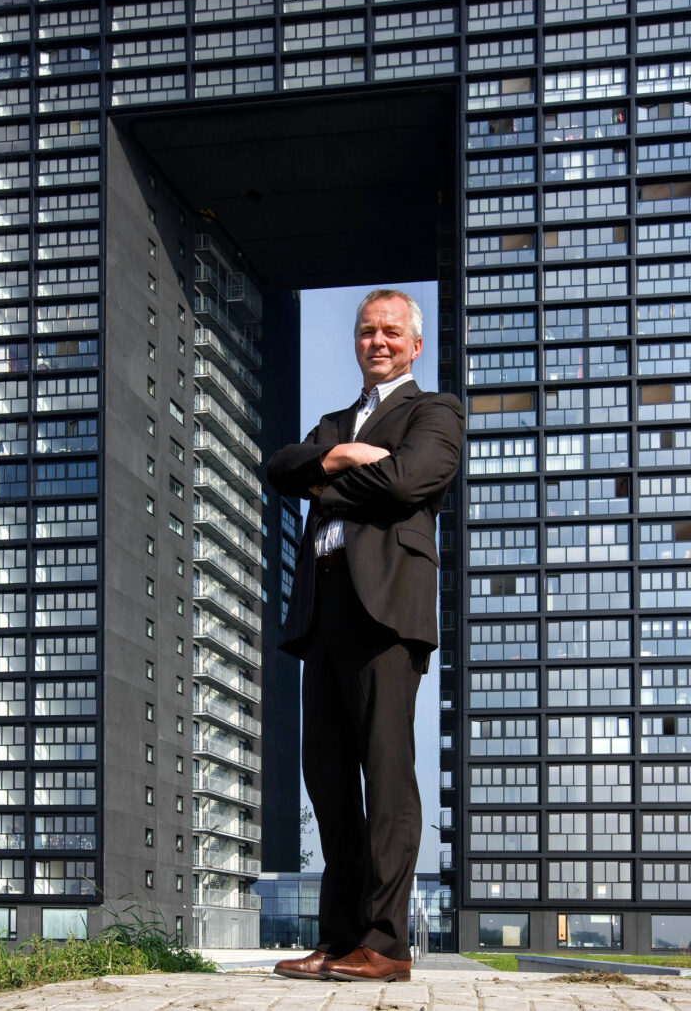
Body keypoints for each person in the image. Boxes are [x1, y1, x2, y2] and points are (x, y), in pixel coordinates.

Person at [267, 289, 464, 982]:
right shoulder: (332, 422)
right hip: (322, 610)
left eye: (390, 331)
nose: (376, 341)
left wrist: (331, 477)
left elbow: (413, 479)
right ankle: (341, 937)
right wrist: (341, 454)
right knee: (326, 777)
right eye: (365, 331)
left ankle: (384, 945)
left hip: (384, 609)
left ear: (413, 344)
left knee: (385, 773)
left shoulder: (433, 411)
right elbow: (279, 467)